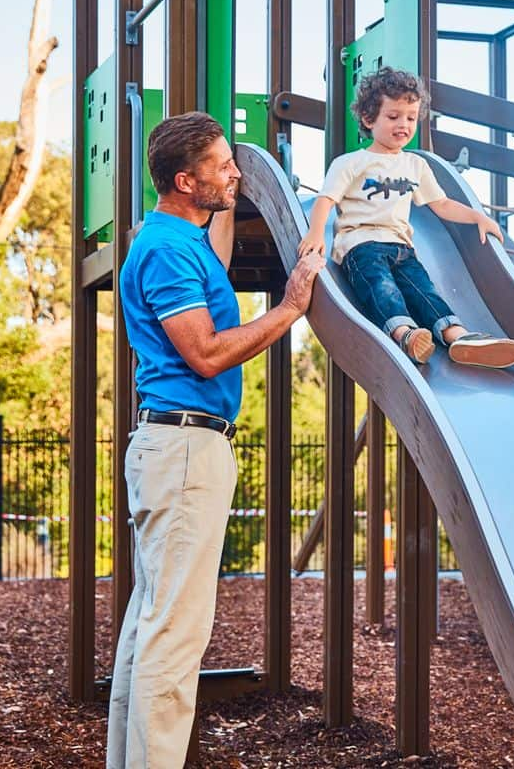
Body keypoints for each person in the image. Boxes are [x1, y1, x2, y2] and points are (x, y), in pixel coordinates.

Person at [107, 111, 324, 769]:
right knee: (174, 638)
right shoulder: (169, 249)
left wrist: (242, 177)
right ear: (183, 180)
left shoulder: (183, 239)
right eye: (221, 165)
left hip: (176, 448)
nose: (234, 171)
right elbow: (203, 354)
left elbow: (219, 249)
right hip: (183, 452)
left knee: (151, 627)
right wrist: (288, 309)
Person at [298, 67, 514, 369]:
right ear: (368, 119)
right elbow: (326, 199)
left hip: (402, 247)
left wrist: (477, 217)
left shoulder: (415, 165)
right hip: (360, 245)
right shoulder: (352, 163)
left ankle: (455, 335)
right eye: (393, 117)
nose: (403, 124)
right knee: (381, 287)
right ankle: (405, 334)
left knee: (424, 289)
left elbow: (441, 203)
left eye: (411, 117)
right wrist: (314, 234)